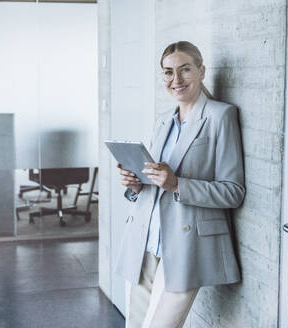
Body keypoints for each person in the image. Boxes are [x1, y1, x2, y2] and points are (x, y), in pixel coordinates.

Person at [114, 41, 245, 328]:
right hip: (146, 241)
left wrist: (177, 185)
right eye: (168, 72)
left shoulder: (220, 116)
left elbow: (233, 192)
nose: (176, 80)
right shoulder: (163, 121)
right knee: (134, 324)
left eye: (185, 69)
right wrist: (136, 185)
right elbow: (154, 183)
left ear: (201, 71)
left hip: (186, 246)